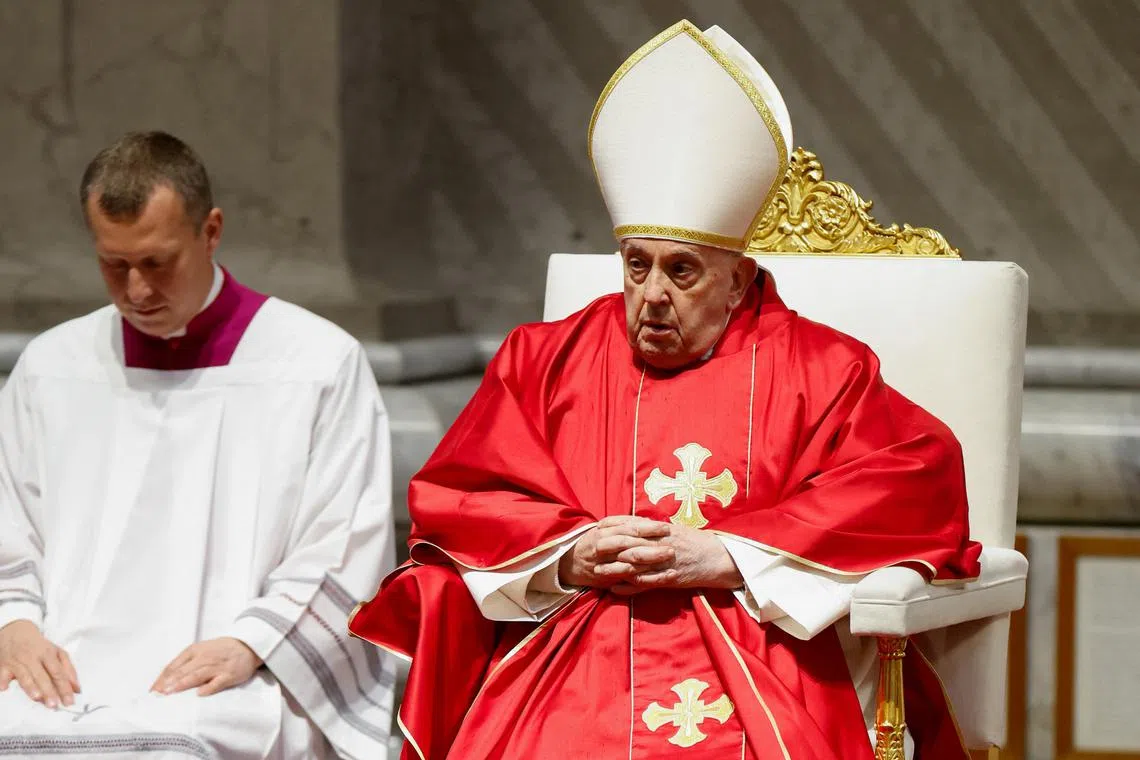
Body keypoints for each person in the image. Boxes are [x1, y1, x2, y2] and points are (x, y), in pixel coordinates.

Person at [350, 20, 980, 760]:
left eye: (681, 271)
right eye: (635, 264)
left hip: (757, 648)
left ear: (739, 278)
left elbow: (917, 475)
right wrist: (568, 552)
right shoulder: (546, 357)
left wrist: (729, 554)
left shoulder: (822, 369)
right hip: (576, 648)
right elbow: (463, 501)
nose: (650, 294)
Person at [0, 132, 396, 759]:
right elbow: (9, 526)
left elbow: (345, 542)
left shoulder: (316, 363)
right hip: (61, 662)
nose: (135, 291)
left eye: (157, 263)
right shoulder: (52, 366)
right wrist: (13, 624)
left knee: (188, 742)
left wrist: (252, 643)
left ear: (210, 232)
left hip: (240, 664)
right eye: (113, 264)